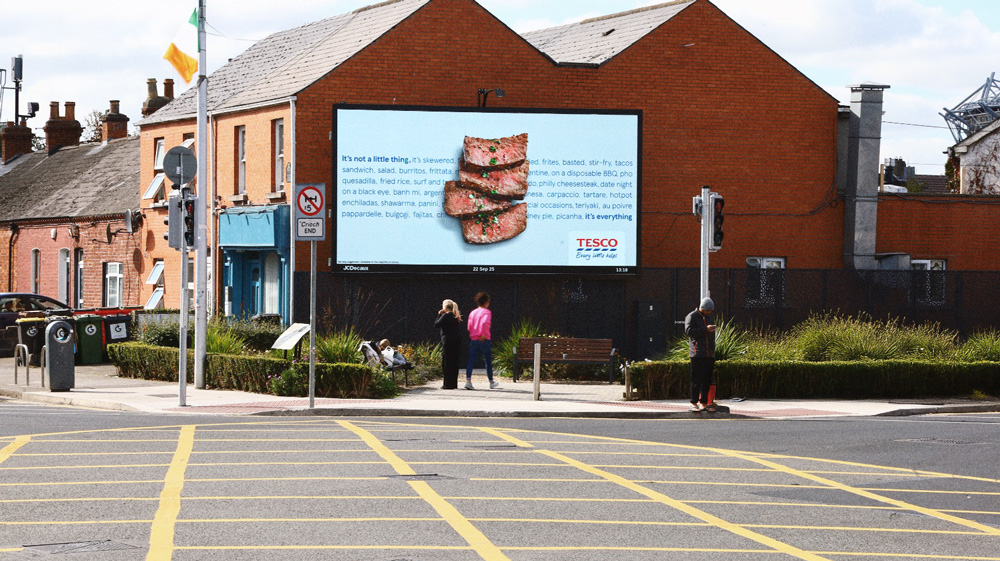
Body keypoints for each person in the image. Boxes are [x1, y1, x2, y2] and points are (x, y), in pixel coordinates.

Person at [684, 297, 717, 412]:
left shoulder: (709, 317)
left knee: (706, 380)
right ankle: (693, 403)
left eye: (710, 311)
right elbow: (689, 331)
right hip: (697, 354)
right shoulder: (691, 316)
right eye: (708, 310)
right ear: (702, 308)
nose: (709, 313)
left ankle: (704, 402)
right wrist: (705, 329)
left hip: (709, 354)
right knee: (696, 379)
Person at [465, 291, 498, 390]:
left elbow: (469, 326)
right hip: (484, 339)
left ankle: (468, 380)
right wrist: (483, 335)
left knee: (471, 359)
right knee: (488, 360)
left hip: (474, 339)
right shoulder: (487, 312)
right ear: (486, 302)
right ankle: (491, 381)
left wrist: (473, 335)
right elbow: (485, 323)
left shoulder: (473, 312)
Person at [435, 299, 463, 389]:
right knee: (454, 362)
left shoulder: (446, 316)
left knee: (447, 362)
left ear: (445, 307)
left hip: (448, 341)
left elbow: (436, 324)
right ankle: (454, 383)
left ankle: (447, 384)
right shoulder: (456, 316)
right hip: (456, 341)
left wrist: (439, 314)